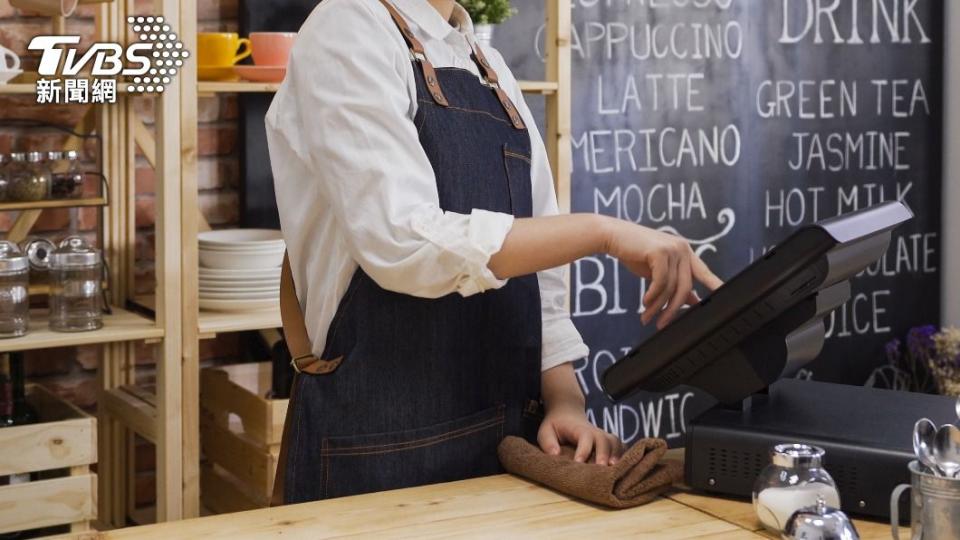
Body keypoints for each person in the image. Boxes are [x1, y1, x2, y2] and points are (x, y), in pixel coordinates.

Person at [265, 0, 722, 504]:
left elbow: (539, 276)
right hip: (377, 457)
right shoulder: (347, 27)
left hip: (505, 446)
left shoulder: (485, 63)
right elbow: (403, 241)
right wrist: (602, 233)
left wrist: (565, 401)